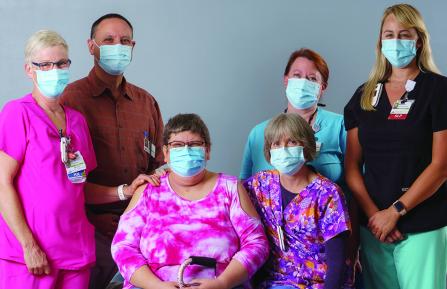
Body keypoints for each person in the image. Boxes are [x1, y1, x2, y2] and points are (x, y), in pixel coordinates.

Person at [344, 4, 447, 289]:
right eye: (389, 35)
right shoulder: (364, 96)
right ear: (380, 42)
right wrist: (375, 215)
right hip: (374, 227)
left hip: (422, 223)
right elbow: (351, 167)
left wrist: (395, 212)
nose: (396, 41)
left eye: (404, 34)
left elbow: (441, 165)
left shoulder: (438, 91)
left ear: (419, 40)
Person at [60, 13, 164, 289]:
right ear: (91, 46)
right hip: (89, 229)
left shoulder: (146, 103)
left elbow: (158, 165)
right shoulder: (70, 100)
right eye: (108, 40)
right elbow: (63, 176)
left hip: (141, 228)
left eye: (125, 41)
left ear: (133, 46)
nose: (118, 47)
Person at [240, 48, 359, 287]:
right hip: (272, 262)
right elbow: (235, 194)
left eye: (312, 78)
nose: (303, 82)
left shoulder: (340, 128)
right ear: (285, 79)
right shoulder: (260, 136)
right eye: (296, 75)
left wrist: (354, 247)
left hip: (323, 257)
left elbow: (357, 184)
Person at [111, 113, 269, 289]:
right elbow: (123, 247)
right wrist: (155, 285)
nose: (186, 150)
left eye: (194, 144)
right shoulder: (148, 191)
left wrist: (222, 283)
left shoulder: (230, 188)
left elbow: (257, 243)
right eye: (177, 145)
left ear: (207, 150)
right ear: (166, 153)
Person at [0, 30, 96, 288]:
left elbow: (80, 186)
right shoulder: (17, 113)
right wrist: (28, 245)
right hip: (30, 255)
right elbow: (1, 183)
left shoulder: (77, 120)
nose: (55, 69)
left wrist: (125, 191)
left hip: (75, 250)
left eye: (62, 63)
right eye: (45, 64)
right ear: (29, 70)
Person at [244, 113, 351, 289]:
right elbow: (227, 194)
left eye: (291, 142)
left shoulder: (327, 193)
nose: (283, 149)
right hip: (271, 281)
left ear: (306, 145)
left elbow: (337, 264)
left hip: (318, 283)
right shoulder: (261, 185)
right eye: (276, 144)